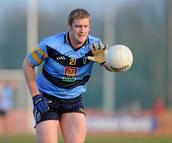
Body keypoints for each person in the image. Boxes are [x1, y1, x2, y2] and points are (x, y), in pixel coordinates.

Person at [23, 8, 114, 143]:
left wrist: (105, 62)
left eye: (85, 26)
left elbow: (109, 68)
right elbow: (28, 65)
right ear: (69, 26)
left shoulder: (96, 46)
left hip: (74, 101)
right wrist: (36, 97)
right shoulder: (49, 44)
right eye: (77, 26)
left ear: (89, 27)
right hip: (47, 100)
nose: (82, 30)